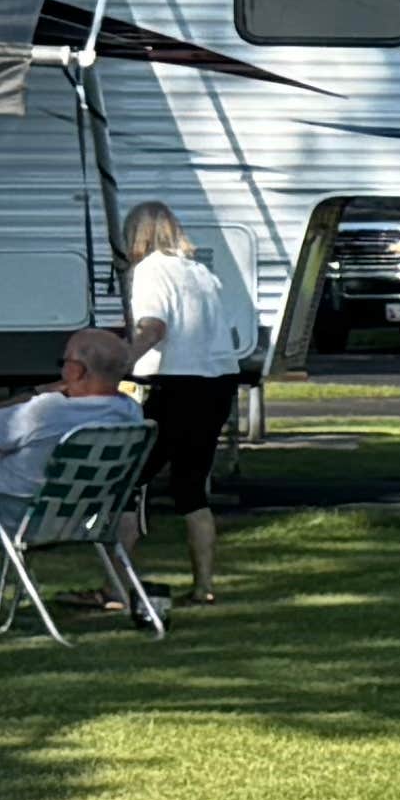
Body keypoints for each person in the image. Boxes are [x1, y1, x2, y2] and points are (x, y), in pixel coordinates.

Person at [0, 327, 149, 634]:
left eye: (63, 362)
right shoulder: (130, 413)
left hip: (1, 514)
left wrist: (36, 392)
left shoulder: (46, 410)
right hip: (72, 520)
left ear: (75, 370)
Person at [116, 201, 259, 601]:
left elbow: (154, 326)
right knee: (191, 487)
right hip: (217, 381)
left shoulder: (148, 271)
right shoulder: (200, 272)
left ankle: (117, 585)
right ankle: (204, 586)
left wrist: (124, 357)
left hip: (171, 381)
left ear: (136, 235)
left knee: (129, 481)